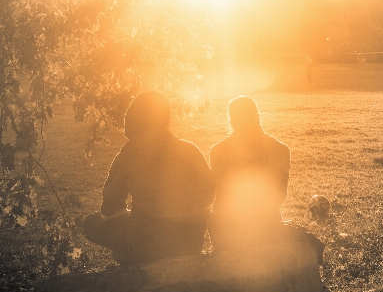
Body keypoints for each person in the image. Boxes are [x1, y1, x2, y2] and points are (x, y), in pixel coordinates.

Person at [83, 91, 215, 264]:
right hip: (190, 243)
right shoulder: (190, 150)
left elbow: (110, 210)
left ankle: (128, 254)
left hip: (147, 245)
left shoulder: (129, 153)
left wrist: (134, 217)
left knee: (91, 223)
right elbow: (208, 196)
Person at [209, 96, 324, 263]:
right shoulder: (281, 150)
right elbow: (279, 197)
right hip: (264, 228)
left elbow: (217, 197)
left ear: (231, 121)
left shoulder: (217, 151)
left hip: (226, 231)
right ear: (257, 117)